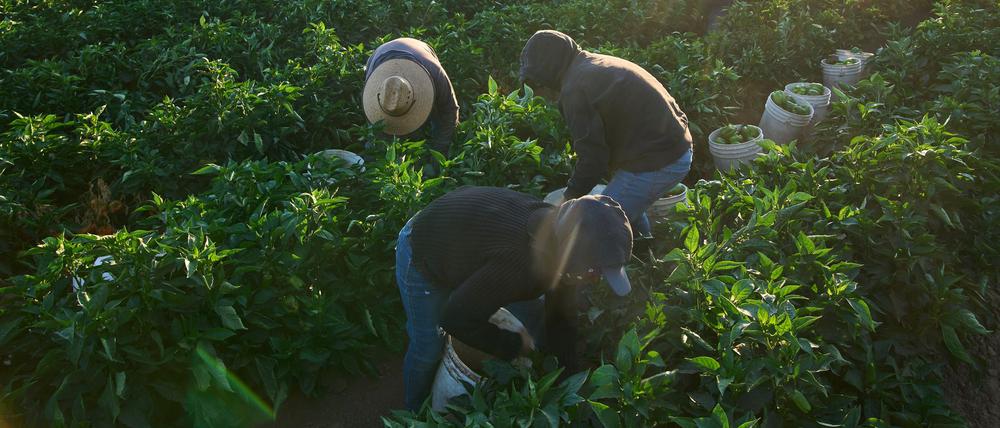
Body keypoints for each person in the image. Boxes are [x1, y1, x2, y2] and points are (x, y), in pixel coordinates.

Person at [395, 185, 633, 411]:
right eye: (595, 270)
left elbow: (561, 315)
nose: (596, 279)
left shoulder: (561, 235)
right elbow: (455, 319)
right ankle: (414, 411)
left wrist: (567, 375)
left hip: (466, 244)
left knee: (536, 318)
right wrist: (514, 346)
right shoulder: (518, 265)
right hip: (424, 249)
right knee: (427, 347)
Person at [519, 30, 693, 238]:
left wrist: (568, 197)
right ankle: (645, 249)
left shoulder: (575, 90)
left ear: (548, 71)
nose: (541, 91)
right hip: (674, 146)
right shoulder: (591, 64)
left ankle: (630, 255)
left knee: (601, 224)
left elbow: (593, 159)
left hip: (660, 161)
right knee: (626, 206)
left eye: (538, 83)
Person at [363, 38, 459, 171]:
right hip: (379, 54)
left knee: (438, 119)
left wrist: (439, 151)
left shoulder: (435, 72)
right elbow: (374, 123)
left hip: (421, 53)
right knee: (380, 137)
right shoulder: (373, 78)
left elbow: (450, 110)